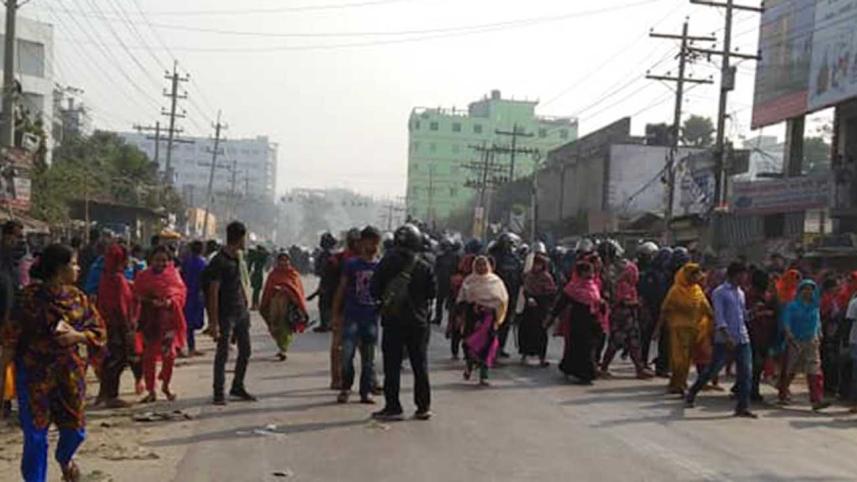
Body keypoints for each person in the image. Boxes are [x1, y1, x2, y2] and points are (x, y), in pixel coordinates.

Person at [1, 244, 106, 482]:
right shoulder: (28, 299)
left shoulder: (78, 299)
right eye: (74, 263)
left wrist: (78, 336)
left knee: (75, 432)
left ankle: (64, 458)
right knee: (35, 437)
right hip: (34, 377)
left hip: (70, 376)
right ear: (61, 268)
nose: (78, 269)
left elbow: (99, 331)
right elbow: (9, 339)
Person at [370, 224, 436, 421]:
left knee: (392, 366)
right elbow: (432, 293)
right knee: (420, 365)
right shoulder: (424, 265)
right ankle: (423, 407)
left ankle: (393, 407)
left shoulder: (386, 262)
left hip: (392, 320)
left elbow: (374, 290)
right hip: (418, 323)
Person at [686, 262, 756, 418]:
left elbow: (742, 315)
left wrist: (753, 313)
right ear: (735, 274)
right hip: (725, 339)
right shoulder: (720, 292)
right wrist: (726, 335)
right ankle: (693, 391)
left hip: (742, 337)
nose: (745, 278)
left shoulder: (741, 293)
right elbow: (719, 316)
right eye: (743, 274)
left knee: (746, 372)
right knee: (712, 369)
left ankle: (742, 406)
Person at [207, 222, 257, 405]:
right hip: (226, 313)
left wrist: (245, 304)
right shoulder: (219, 261)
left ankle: (237, 386)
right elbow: (213, 291)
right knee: (223, 353)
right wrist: (213, 322)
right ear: (240, 238)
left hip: (240, 311)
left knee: (246, 350)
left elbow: (239, 283)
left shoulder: (237, 257)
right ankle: (218, 392)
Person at [335, 226, 382, 404]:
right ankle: (346, 388)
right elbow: (341, 289)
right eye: (370, 241)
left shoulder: (380, 266)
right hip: (352, 316)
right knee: (347, 355)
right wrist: (335, 314)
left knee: (369, 359)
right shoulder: (352, 264)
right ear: (362, 243)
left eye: (376, 242)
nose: (374, 246)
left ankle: (365, 392)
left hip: (371, 318)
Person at [134, 246, 187, 403]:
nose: (161, 263)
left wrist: (170, 302)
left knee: (169, 356)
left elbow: (181, 294)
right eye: (158, 260)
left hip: (168, 321)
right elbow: (136, 296)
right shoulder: (143, 276)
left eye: (164, 260)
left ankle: (166, 385)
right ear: (151, 260)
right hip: (150, 322)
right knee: (149, 357)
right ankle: (152, 390)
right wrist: (150, 301)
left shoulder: (174, 276)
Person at [96, 244, 141, 408]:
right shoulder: (118, 280)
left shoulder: (106, 277)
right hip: (117, 325)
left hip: (105, 323)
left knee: (108, 359)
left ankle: (103, 393)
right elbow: (122, 307)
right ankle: (111, 396)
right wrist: (127, 328)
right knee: (118, 360)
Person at [657, 263, 712, 395]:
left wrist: (715, 321)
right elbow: (664, 309)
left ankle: (680, 382)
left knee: (687, 359)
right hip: (677, 329)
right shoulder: (675, 291)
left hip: (693, 329)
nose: (697, 277)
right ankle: (677, 384)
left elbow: (706, 308)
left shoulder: (697, 290)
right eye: (694, 274)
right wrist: (658, 328)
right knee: (678, 358)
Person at [551, 261, 607, 385]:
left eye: (591, 271)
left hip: (592, 320)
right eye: (588, 271)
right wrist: (551, 317)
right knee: (581, 347)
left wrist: (602, 305)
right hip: (578, 320)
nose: (591, 274)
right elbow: (561, 303)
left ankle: (574, 368)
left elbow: (597, 300)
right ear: (581, 272)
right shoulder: (573, 287)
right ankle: (585, 374)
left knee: (591, 345)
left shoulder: (593, 285)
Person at [456, 256, 509, 385]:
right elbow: (461, 299)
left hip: (489, 319)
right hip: (472, 318)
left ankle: (484, 375)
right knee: (469, 344)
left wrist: (493, 311)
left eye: (484, 265)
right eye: (478, 265)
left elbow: (503, 300)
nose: (481, 268)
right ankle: (469, 365)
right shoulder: (469, 281)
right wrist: (464, 312)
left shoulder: (496, 281)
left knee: (488, 346)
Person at [779, 279, 829, 410]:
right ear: (799, 291)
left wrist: (819, 332)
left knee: (814, 370)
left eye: (811, 289)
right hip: (795, 341)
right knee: (791, 369)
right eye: (805, 289)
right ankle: (783, 392)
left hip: (811, 341)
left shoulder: (815, 306)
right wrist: (789, 334)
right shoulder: (792, 306)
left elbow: (817, 321)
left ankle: (816, 400)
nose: (808, 291)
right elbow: (786, 321)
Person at [601, 260, 654, 379]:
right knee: (615, 344)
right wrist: (637, 303)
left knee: (634, 344)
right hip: (621, 319)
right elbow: (623, 302)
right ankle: (604, 367)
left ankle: (639, 369)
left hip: (630, 318)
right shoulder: (623, 285)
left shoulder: (630, 286)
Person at [260, 252, 309, 362]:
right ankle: (280, 346)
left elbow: (298, 291)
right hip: (274, 304)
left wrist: (287, 291)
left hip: (288, 305)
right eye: (281, 260)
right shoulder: (273, 274)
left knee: (285, 326)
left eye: (286, 260)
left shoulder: (293, 274)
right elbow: (268, 289)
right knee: (274, 325)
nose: (284, 262)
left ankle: (283, 349)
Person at [517, 253, 557, 367]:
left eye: (539, 264)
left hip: (541, 309)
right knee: (525, 331)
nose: (536, 266)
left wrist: (540, 299)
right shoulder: (529, 276)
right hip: (528, 308)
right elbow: (525, 289)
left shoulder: (546, 277)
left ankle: (541, 358)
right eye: (535, 264)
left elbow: (551, 292)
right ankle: (524, 355)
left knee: (540, 333)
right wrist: (529, 297)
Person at [746, 268, 778, 402]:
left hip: (764, 334)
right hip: (754, 333)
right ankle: (752, 390)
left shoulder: (767, 296)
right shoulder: (750, 295)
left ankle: (750, 388)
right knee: (756, 363)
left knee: (757, 364)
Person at [181, 241, 207, 357]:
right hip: (196, 295)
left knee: (187, 322)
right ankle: (188, 347)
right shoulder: (202, 263)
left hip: (187, 293)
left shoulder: (186, 261)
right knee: (191, 323)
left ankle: (189, 347)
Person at [312, 232, 338, 333]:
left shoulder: (326, 254)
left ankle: (325, 325)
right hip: (334, 283)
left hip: (327, 283)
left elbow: (321, 270)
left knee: (324, 304)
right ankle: (329, 324)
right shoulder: (335, 253)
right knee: (331, 304)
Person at [433, 238, 460, 325]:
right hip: (447, 282)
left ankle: (442, 319)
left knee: (446, 302)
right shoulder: (452, 257)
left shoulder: (454, 257)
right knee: (444, 302)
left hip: (448, 282)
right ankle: (441, 319)